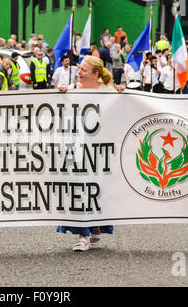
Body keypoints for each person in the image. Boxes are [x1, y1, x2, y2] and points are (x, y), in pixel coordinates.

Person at [56, 55, 115, 251]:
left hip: (99, 149)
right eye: (79, 69)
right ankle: (83, 234)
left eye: (83, 70)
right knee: (77, 188)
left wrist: (122, 94)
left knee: (96, 189)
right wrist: (60, 94)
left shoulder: (107, 91)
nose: (79, 73)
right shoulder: (71, 90)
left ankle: (96, 225)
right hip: (75, 147)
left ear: (96, 74)